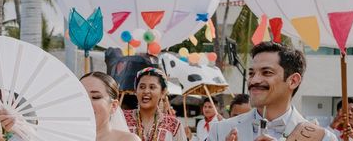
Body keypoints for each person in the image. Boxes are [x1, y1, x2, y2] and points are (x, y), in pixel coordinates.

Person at [207, 42, 337, 141]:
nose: (254, 80)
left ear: (293, 81)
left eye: (267, 72)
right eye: (251, 73)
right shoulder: (220, 130)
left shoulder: (322, 138)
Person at [0, 71, 139, 141]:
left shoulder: (128, 140)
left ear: (114, 106)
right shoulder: (62, 136)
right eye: (82, 97)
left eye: (96, 97)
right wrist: (15, 125)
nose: (88, 103)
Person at [123, 67, 187, 141]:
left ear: (162, 93)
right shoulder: (122, 119)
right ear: (135, 91)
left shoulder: (173, 125)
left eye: (152, 87)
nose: (146, 91)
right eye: (142, 87)